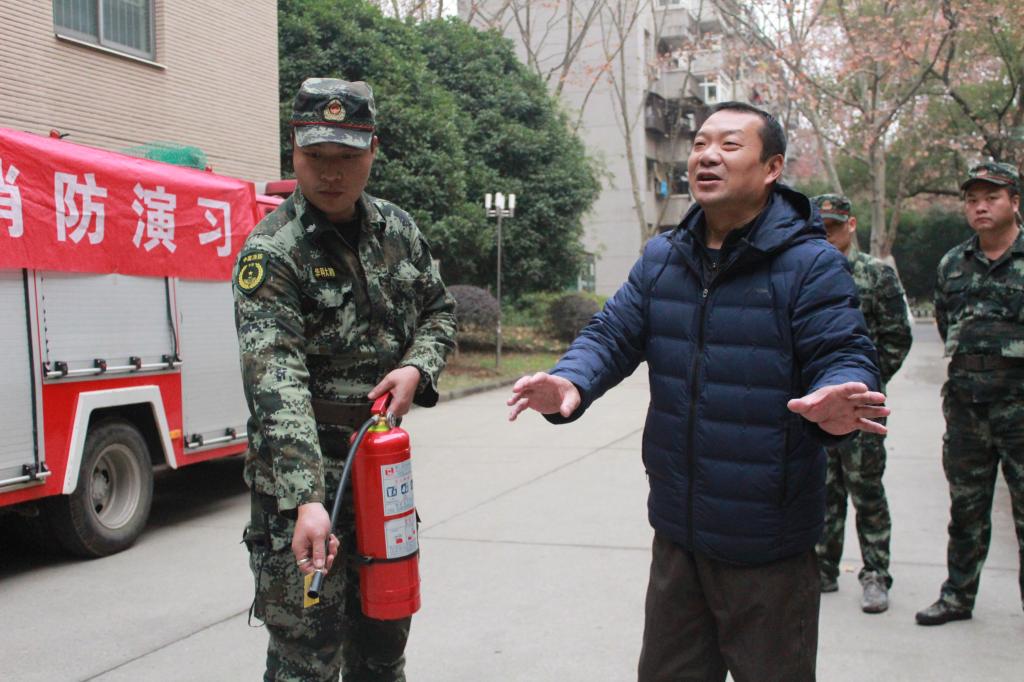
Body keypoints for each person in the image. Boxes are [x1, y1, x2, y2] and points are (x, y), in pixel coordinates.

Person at [507, 102, 887, 681]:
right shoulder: (665, 257)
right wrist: (571, 378)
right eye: (701, 144)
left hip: (768, 543)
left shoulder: (810, 264)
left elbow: (844, 350)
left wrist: (838, 395)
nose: (707, 156)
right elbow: (612, 333)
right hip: (678, 533)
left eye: (730, 145)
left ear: (772, 168)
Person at [234, 78, 457, 680]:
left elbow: (439, 311)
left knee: (384, 644)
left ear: (373, 151)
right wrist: (308, 498)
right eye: (316, 156)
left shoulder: (397, 231)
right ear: (293, 149)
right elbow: (276, 378)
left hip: (381, 473)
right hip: (303, 489)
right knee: (306, 657)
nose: (331, 173)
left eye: (347, 157)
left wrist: (417, 366)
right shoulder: (273, 251)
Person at [916, 161, 1024, 626]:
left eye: (991, 198)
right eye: (972, 199)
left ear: (1014, 202)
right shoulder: (952, 264)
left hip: (1020, 409)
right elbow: (946, 324)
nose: (980, 206)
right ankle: (958, 596)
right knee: (966, 509)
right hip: (967, 410)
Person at [811, 194, 912, 613]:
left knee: (866, 490)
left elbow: (897, 335)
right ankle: (822, 568)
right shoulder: (805, 273)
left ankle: (875, 574)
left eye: (833, 227)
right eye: (819, 229)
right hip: (814, 404)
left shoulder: (875, 274)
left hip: (860, 408)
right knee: (822, 490)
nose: (827, 236)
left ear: (851, 225)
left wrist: (867, 384)